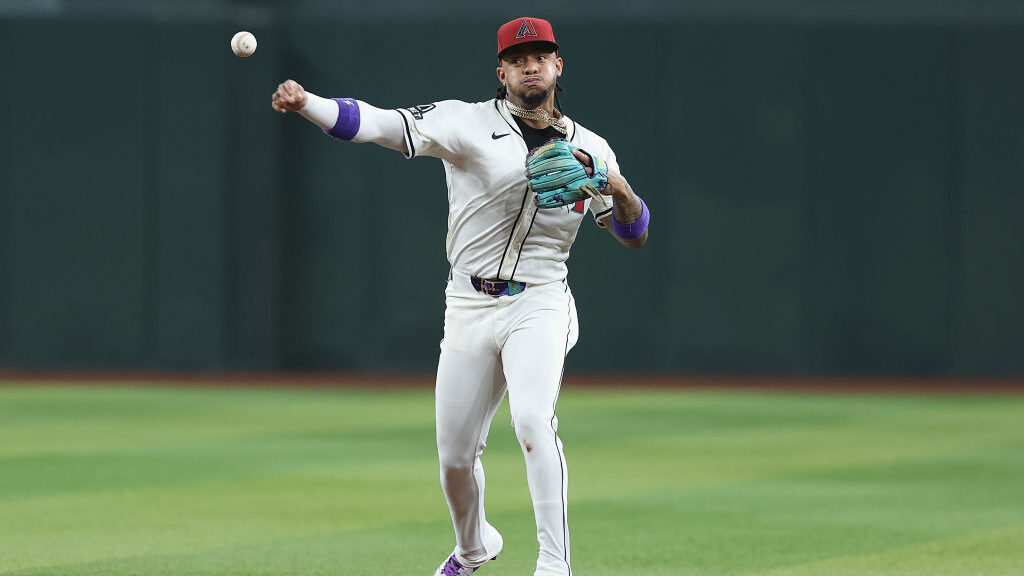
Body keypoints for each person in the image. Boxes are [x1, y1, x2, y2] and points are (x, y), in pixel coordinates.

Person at [271, 16, 650, 576]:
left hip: (539, 300)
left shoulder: (591, 149)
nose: (530, 65)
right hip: (469, 304)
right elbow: (375, 124)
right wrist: (308, 103)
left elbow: (633, 232)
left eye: (540, 56)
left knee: (531, 421)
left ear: (558, 66)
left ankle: (554, 564)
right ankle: (473, 548)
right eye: (518, 59)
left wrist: (615, 185)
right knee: (453, 458)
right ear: (502, 71)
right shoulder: (464, 123)